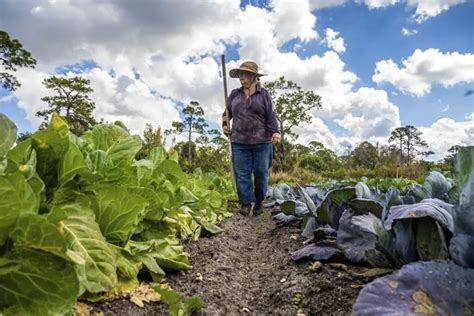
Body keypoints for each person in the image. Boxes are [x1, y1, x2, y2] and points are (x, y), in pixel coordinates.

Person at [222, 61, 281, 216]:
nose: (241, 78)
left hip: (262, 142)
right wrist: (225, 125)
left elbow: (270, 115)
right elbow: (226, 113)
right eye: (240, 75)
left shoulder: (264, 94)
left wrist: (275, 131)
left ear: (254, 76)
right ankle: (246, 203)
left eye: (245, 74)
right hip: (239, 141)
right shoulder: (235, 94)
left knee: (261, 173)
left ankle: (259, 201)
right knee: (242, 174)